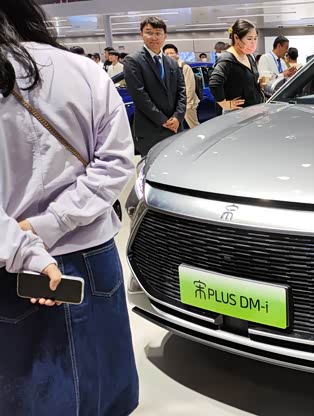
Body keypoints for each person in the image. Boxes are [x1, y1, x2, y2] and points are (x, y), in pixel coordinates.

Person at [0, 1, 139, 414]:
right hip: (93, 256)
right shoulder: (85, 71)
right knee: (105, 389)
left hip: (13, 260)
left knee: (33, 396)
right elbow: (116, 164)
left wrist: (30, 237)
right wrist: (54, 222)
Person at [123, 17, 186, 156]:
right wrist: (163, 120)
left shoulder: (172, 63)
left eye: (158, 33)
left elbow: (182, 91)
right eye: (149, 32)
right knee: (152, 166)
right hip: (150, 129)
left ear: (165, 35)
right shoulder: (133, 61)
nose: (154, 37)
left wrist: (178, 117)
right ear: (141, 34)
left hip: (175, 127)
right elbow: (139, 95)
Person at [209, 19, 263, 114]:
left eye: (255, 38)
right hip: (237, 113)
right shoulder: (227, 59)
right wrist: (225, 104)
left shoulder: (249, 56)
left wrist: (258, 83)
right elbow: (214, 83)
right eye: (249, 39)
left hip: (254, 109)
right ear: (236, 38)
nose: (253, 43)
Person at [164, 43, 200, 128]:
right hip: (175, 105)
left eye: (171, 53)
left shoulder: (185, 67)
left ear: (177, 54)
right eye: (167, 54)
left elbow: (190, 87)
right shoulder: (166, 69)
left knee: (194, 126)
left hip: (187, 104)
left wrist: (186, 104)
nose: (169, 55)